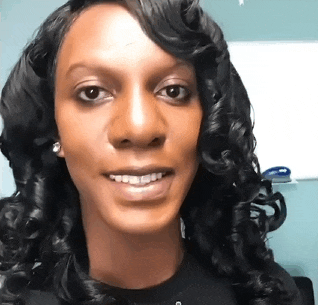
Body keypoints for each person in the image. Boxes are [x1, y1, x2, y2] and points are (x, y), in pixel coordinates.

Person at [0, 0, 302, 304]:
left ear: (208, 121)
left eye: (174, 90)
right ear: (54, 129)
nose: (139, 128)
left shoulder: (266, 293)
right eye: (92, 92)